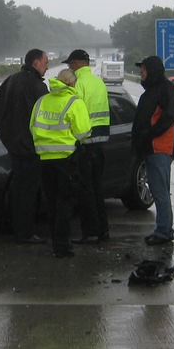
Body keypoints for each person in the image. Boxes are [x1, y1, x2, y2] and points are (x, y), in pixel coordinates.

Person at [30, 67, 92, 258]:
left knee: (52, 203)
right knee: (65, 203)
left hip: (45, 160)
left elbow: (32, 127)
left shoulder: (41, 101)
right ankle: (62, 247)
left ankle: (55, 243)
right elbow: (84, 133)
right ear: (72, 83)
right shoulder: (74, 102)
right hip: (66, 160)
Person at [0, 48, 49, 244]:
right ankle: (26, 232)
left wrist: (6, 134)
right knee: (29, 192)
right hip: (32, 148)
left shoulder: (10, 80)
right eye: (45, 62)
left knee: (18, 190)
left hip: (14, 147)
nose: (47, 66)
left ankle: (17, 230)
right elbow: (46, 116)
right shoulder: (36, 86)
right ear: (36, 63)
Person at [132, 55, 174, 246]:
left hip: (159, 147)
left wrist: (151, 134)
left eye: (143, 69)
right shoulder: (152, 89)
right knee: (157, 189)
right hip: (151, 147)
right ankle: (164, 229)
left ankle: (163, 231)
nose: (140, 73)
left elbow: (169, 116)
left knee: (160, 191)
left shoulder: (165, 88)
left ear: (151, 70)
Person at [65, 49, 110, 243]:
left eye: (70, 65)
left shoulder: (78, 84)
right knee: (98, 190)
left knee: (86, 191)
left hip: (84, 144)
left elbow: (74, 115)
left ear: (75, 64)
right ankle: (103, 232)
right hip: (100, 144)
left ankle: (90, 233)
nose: (69, 68)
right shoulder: (99, 82)